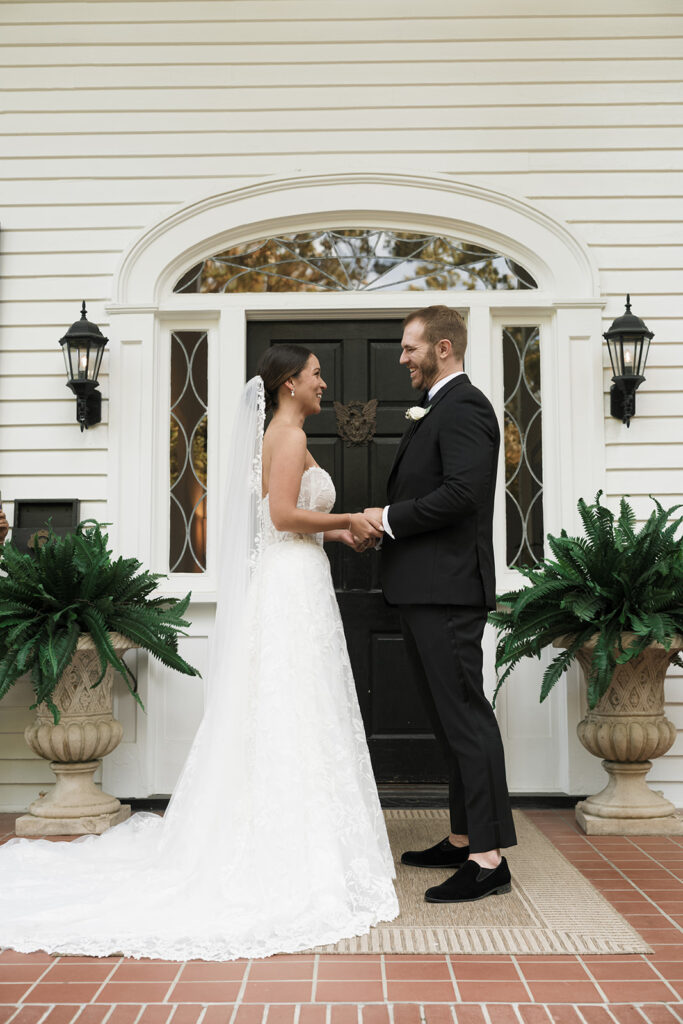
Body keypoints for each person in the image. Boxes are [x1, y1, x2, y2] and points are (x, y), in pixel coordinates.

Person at [0, 346, 398, 960]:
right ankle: (295, 849)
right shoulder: (289, 435)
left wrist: (342, 533)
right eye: (316, 375)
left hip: (294, 578)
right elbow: (282, 516)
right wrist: (347, 516)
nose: (324, 383)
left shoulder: (281, 433)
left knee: (292, 703)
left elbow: (283, 519)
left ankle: (292, 830)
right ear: (289, 384)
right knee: (295, 703)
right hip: (291, 585)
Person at [364, 305, 517, 904]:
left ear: (443, 348)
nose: (402, 358)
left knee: (467, 720)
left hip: (448, 591)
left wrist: (389, 519)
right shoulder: (439, 406)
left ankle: (489, 859)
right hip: (423, 590)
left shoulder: (466, 406)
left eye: (410, 348)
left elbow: (463, 494)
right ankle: (463, 837)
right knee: (448, 722)